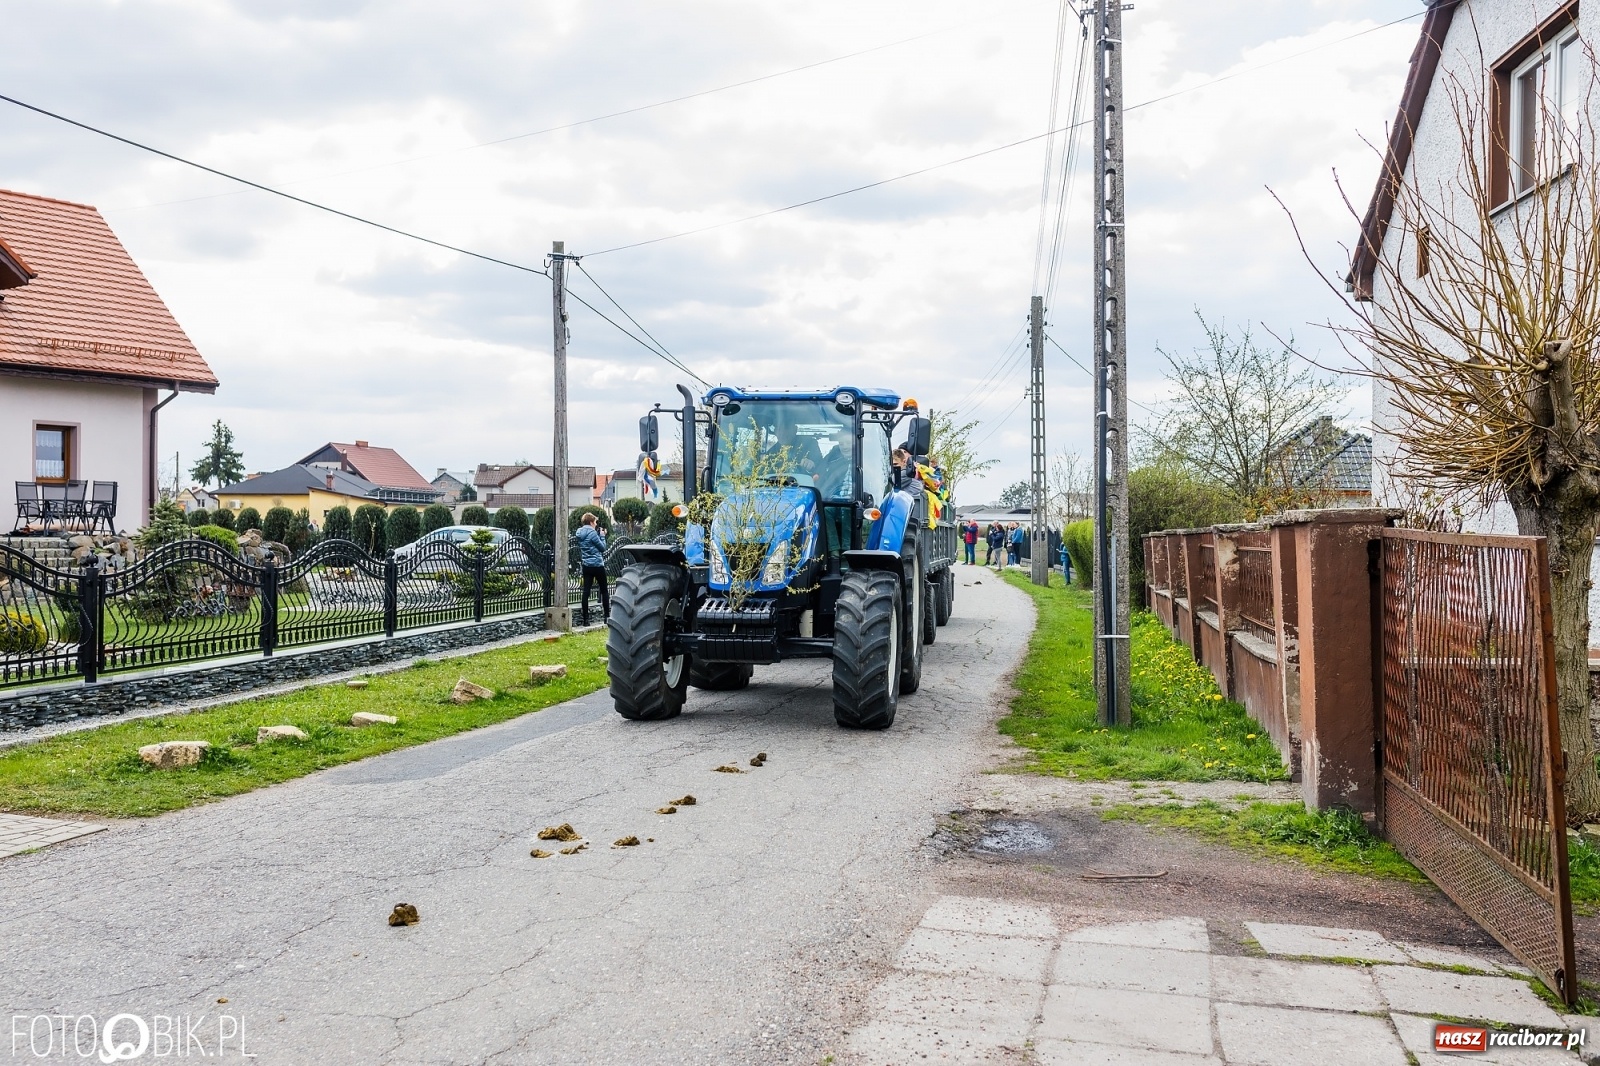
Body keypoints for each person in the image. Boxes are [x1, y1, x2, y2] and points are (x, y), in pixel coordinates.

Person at [576, 512, 610, 625]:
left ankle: (585, 620)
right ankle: (606, 616)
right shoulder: (593, 533)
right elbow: (602, 548)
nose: (596, 524)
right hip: (597, 565)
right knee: (604, 590)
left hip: (586, 565)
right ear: (591, 522)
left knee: (586, 591)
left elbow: (589, 545)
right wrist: (602, 536)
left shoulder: (579, 533)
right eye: (595, 522)